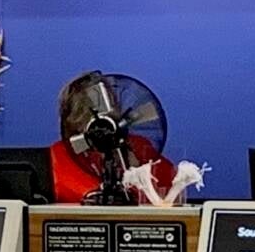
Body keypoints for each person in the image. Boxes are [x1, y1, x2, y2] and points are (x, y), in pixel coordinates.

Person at [49, 71, 178, 204]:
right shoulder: (57, 157)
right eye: (85, 109)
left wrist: (136, 170)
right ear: (72, 120)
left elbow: (171, 186)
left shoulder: (139, 148)